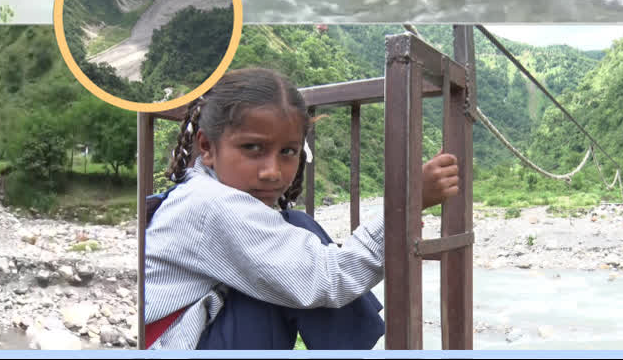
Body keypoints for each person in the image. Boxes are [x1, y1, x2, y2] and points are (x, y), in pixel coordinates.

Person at [144, 67, 461, 350]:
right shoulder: (210, 204)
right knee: (292, 240)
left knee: (290, 234)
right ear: (207, 147)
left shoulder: (201, 194)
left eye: (288, 152)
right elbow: (328, 279)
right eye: (252, 148)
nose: (273, 171)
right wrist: (407, 202)